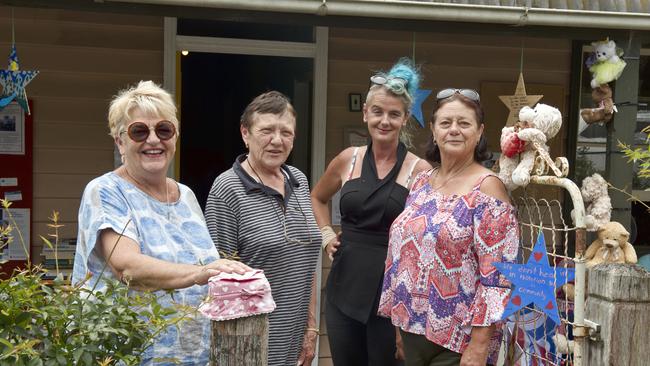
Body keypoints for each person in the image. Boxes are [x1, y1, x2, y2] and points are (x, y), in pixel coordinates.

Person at [72, 81, 250, 365]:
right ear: (120, 141)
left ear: (175, 137)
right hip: (127, 356)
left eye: (163, 130)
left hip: (195, 357)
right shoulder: (106, 191)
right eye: (139, 131)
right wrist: (202, 272)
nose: (153, 140)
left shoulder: (186, 196)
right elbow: (127, 266)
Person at [378, 88, 520, 366]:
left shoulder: (488, 189)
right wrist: (399, 326)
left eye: (464, 123)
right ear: (433, 130)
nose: (454, 130)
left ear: (479, 132)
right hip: (411, 331)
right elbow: (404, 256)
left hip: (459, 341)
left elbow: (498, 278)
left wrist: (479, 347)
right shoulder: (420, 183)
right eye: (446, 123)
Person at [311, 59, 431, 366]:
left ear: (405, 119)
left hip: (392, 294)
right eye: (377, 111)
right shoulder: (347, 160)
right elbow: (318, 197)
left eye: (394, 114)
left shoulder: (420, 171)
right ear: (366, 113)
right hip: (344, 286)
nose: (384, 121)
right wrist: (326, 235)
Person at [204, 91, 321, 366]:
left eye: (286, 132)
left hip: (295, 339)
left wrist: (312, 327)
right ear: (245, 133)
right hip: (248, 344)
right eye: (266, 131)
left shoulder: (299, 181)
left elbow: (307, 262)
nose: (277, 140)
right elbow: (217, 280)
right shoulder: (227, 190)